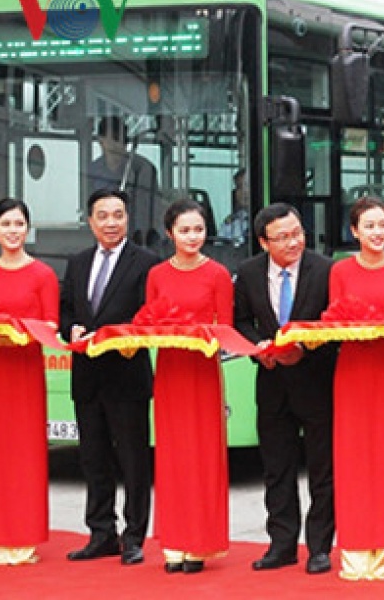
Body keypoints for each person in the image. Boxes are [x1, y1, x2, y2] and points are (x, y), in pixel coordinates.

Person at [233, 202, 338, 574]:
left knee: (323, 470)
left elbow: (336, 324)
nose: (293, 243)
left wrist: (305, 347)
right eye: (283, 238)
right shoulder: (247, 274)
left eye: (297, 234)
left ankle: (321, 546)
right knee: (277, 468)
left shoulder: (326, 270)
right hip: (272, 382)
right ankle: (281, 544)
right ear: (264, 242)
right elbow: (241, 321)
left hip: (316, 381)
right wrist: (257, 349)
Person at [60, 188, 159, 566]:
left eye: (118, 215)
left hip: (126, 375)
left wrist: (127, 336)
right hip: (86, 375)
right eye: (103, 216)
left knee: (133, 460)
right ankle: (101, 533)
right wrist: (71, 329)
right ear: (90, 221)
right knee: (93, 459)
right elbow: (67, 308)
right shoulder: (78, 261)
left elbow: (151, 313)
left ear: (127, 219)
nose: (111, 223)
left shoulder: (146, 262)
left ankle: (134, 537)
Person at [328, 196, 384, 580]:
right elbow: (334, 322)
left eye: (383, 225)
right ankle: (354, 551)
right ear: (354, 231)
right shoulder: (340, 272)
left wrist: (380, 328)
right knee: (351, 461)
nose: (378, 232)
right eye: (369, 226)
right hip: (351, 371)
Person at [145, 199, 233, 574]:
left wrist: (201, 337)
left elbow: (225, 329)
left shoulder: (217, 274)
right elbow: (149, 321)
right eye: (184, 230)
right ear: (170, 234)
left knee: (202, 454)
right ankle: (173, 544)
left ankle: (199, 544)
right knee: (170, 455)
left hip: (202, 370)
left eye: (198, 230)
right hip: (169, 370)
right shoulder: (157, 275)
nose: (192, 237)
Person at [0, 198, 58, 565]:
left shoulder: (43, 275)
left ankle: (25, 536)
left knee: (25, 453)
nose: (13, 230)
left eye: (19, 224)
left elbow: (50, 327)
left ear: (28, 229)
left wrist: (18, 333)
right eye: (5, 224)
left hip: (25, 374)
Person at [87, 115, 160, 246]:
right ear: (101, 140)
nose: (118, 145)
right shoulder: (92, 171)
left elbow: (149, 214)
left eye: (123, 140)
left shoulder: (142, 170)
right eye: (114, 138)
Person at [219, 169, 250, 246]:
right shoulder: (230, 224)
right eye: (239, 187)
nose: (244, 192)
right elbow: (219, 249)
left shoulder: (268, 220)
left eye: (247, 187)